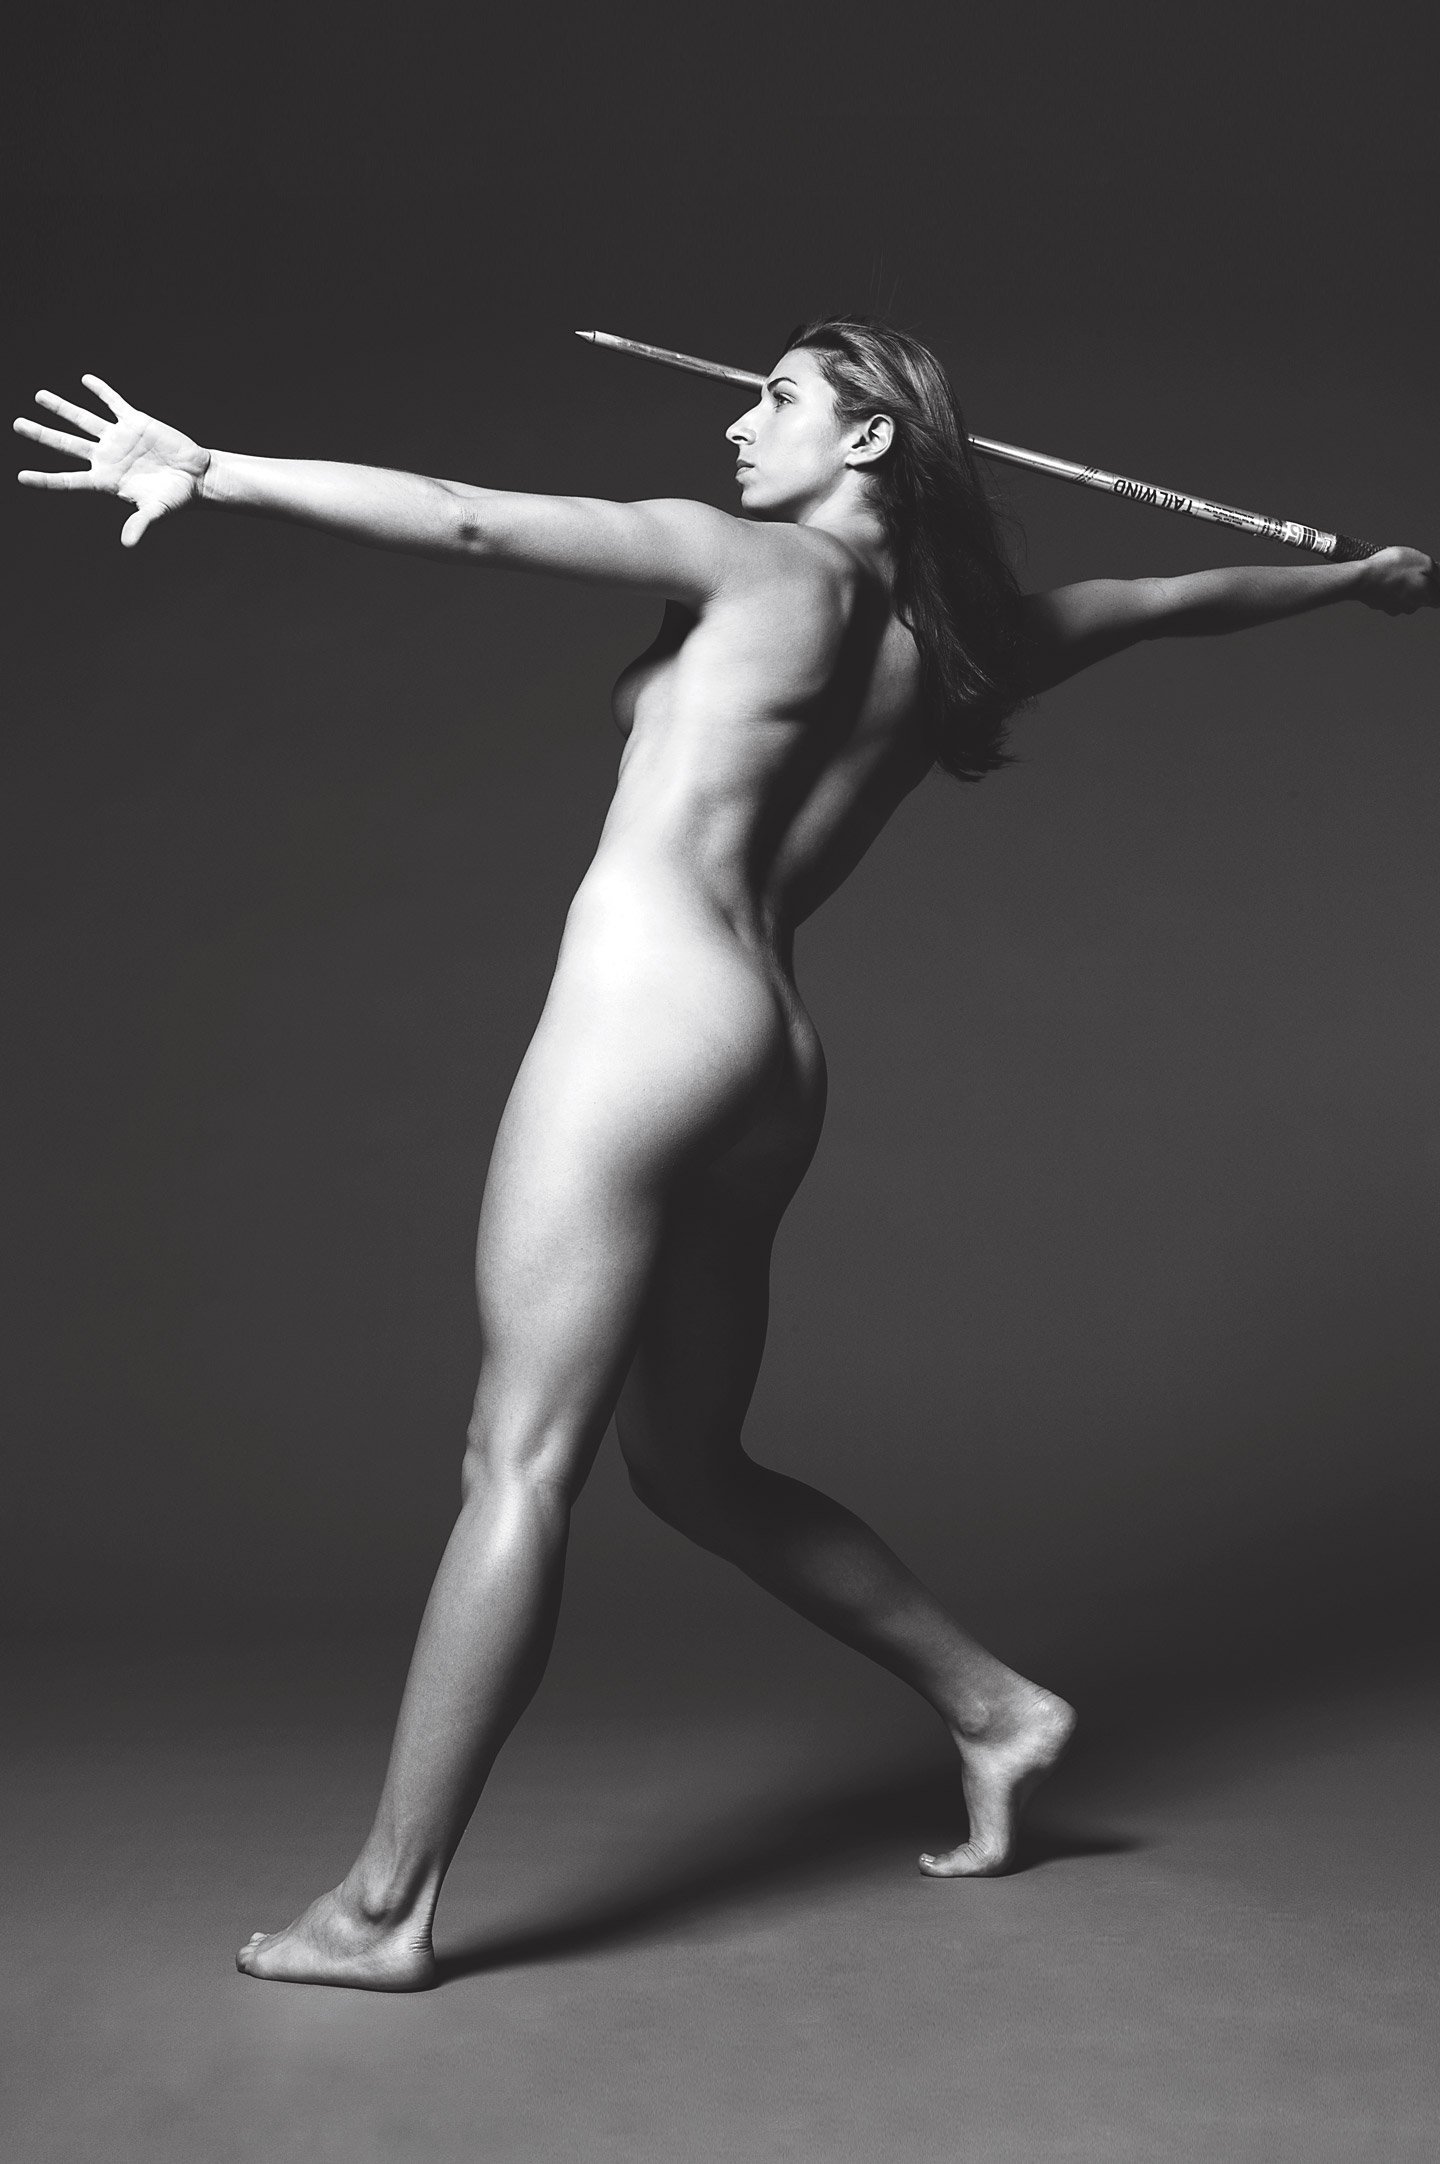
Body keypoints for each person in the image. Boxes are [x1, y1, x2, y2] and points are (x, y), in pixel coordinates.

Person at [16, 319, 1437, 1991]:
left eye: (776, 398)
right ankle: (995, 1705)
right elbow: (1167, 601)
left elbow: (468, 517)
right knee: (687, 1466)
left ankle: (384, 1912)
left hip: (643, 1024)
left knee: (516, 1460)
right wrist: (1359, 581)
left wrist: (214, 471)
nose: (738, 426)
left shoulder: (755, 566)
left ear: (871, 438)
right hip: (772, 1052)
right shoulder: (968, 640)